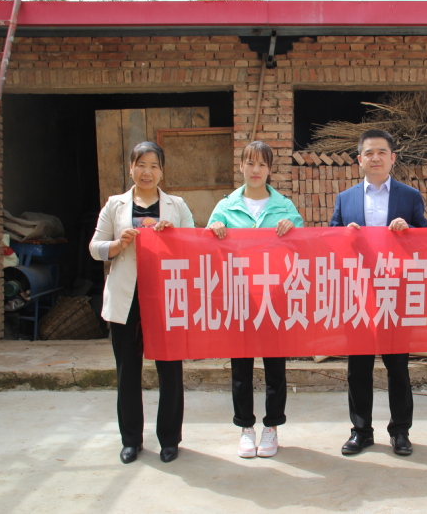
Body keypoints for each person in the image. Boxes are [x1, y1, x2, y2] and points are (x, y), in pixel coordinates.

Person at [89, 141, 194, 464]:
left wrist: (173, 236)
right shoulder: (115, 205)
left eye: (154, 166)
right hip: (127, 297)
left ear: (162, 172)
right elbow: (95, 247)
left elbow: (194, 246)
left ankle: (169, 439)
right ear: (131, 168)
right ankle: (131, 439)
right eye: (141, 165)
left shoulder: (176, 206)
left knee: (170, 370)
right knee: (127, 370)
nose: (147, 172)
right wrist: (118, 245)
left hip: (164, 296)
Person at [329, 129, 427, 457]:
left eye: (382, 152)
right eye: (369, 153)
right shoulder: (345, 199)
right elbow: (330, 238)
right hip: (357, 293)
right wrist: (344, 235)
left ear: (392, 158)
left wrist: (409, 231)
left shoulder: (409, 196)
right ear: (359, 159)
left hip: (395, 292)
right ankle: (361, 432)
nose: (375, 158)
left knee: (397, 366)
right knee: (358, 367)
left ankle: (400, 431)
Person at [207, 141, 303, 459]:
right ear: (241, 166)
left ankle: (271, 426)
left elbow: (304, 247)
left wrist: (293, 229)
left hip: (274, 300)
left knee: (275, 366)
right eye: (250, 163)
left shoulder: (285, 207)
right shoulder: (225, 207)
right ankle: (246, 427)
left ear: (270, 169)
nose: (256, 170)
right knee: (241, 367)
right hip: (240, 298)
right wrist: (214, 230)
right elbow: (206, 248)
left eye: (262, 164)